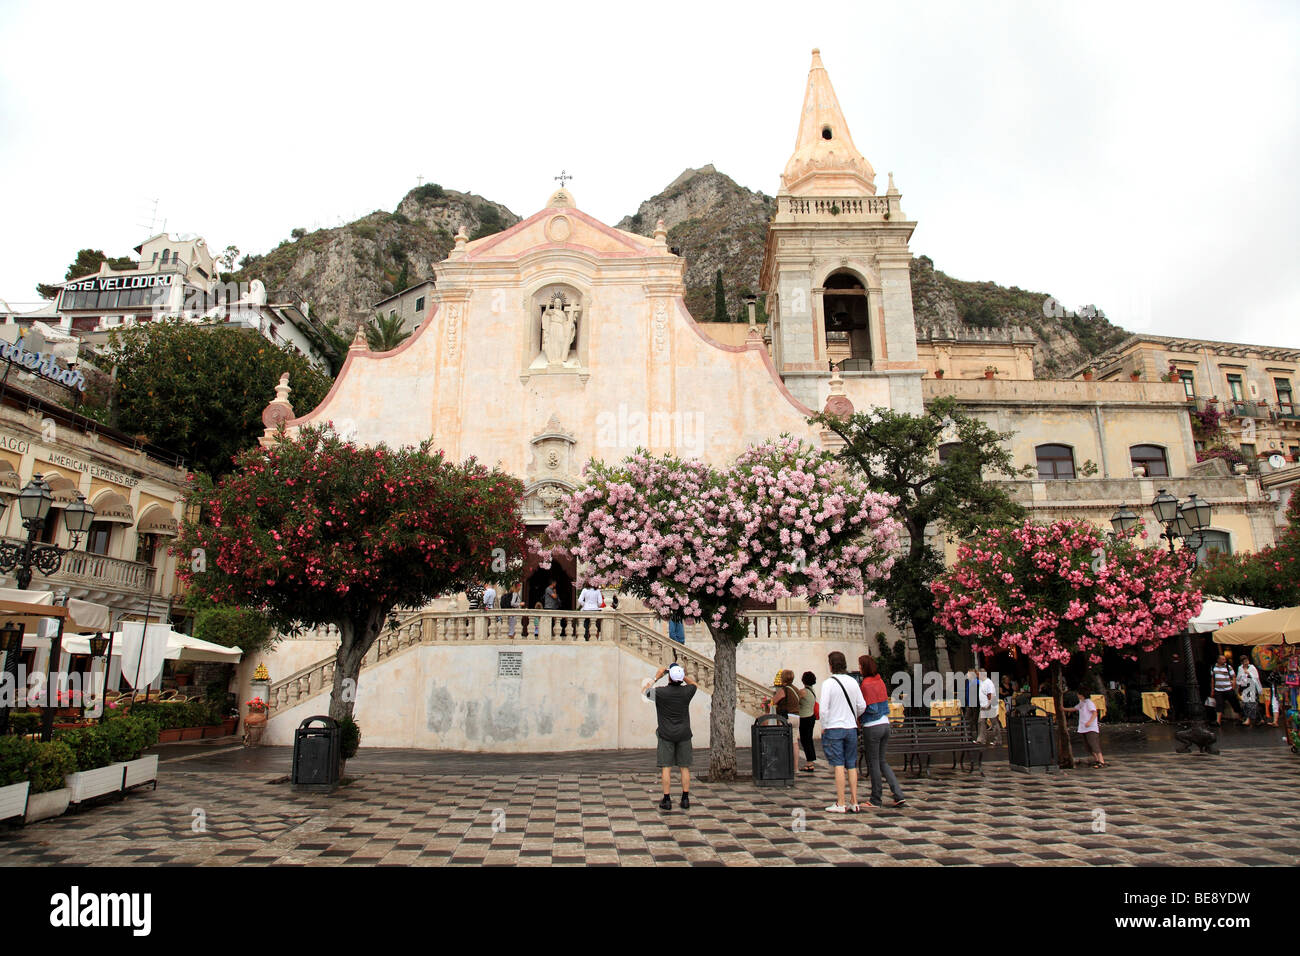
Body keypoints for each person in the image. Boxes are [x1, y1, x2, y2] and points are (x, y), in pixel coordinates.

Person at [644, 663, 698, 810]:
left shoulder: (661, 693)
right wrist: (681, 675)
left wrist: (657, 676)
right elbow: (694, 684)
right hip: (684, 734)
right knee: (684, 767)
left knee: (666, 768)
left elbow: (645, 691)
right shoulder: (687, 692)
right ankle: (685, 798)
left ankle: (667, 799)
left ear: (669, 678)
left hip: (665, 734)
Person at [820, 651, 866, 813]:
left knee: (839, 765)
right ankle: (854, 801)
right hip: (851, 727)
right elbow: (862, 705)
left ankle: (841, 802)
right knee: (851, 764)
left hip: (834, 727)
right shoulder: (853, 682)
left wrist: (824, 726)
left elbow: (824, 710)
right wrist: (852, 715)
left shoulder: (828, 684)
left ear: (831, 665)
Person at [857, 656, 906, 808]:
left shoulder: (866, 684)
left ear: (864, 667)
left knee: (873, 763)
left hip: (872, 725)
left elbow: (869, 707)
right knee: (882, 761)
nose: (858, 668)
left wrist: (859, 718)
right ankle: (898, 794)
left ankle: (875, 798)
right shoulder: (879, 680)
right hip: (885, 723)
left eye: (860, 666)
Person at [1064, 687, 1105, 767]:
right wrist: (1063, 709)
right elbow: (1074, 708)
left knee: (1094, 744)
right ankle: (1096, 760)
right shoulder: (1082, 703)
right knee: (1088, 746)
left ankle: (1101, 761)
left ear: (1082, 695)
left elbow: (1094, 713)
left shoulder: (1089, 703)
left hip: (1091, 728)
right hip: (1084, 728)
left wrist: (1089, 722)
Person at [797, 671, 818, 773]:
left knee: (805, 740)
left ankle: (809, 763)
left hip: (804, 717)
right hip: (811, 717)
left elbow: (795, 701)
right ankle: (811, 762)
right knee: (808, 740)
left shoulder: (803, 691)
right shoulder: (812, 690)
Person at [1210, 654, 1240, 726]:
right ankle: (1218, 721)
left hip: (1228, 688)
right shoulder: (1214, 667)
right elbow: (1213, 679)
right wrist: (1212, 689)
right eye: (1222, 659)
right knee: (1219, 704)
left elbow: (1233, 676)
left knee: (1234, 703)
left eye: (1224, 659)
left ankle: (1240, 717)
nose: (1224, 660)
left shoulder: (1228, 667)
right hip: (1218, 689)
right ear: (1218, 660)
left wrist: (1233, 686)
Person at [975, 668, 1001, 746]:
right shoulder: (982, 682)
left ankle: (997, 740)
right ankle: (981, 739)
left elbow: (990, 694)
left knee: (994, 723)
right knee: (981, 722)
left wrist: (989, 703)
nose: (977, 676)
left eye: (978, 674)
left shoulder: (988, 683)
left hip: (989, 705)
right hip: (983, 705)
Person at [1236, 654, 1262, 727]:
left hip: (1252, 686)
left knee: (1252, 703)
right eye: (1244, 661)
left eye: (1247, 661)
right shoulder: (1240, 668)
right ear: (1242, 662)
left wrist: (1249, 673)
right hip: (1244, 686)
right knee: (1246, 703)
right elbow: (1238, 678)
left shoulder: (1252, 667)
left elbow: (1256, 677)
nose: (1246, 663)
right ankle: (1254, 719)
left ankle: (1253, 719)